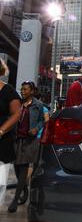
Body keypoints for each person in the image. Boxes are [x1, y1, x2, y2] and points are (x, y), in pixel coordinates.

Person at [8, 81, 45, 213]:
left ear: (32, 91)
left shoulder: (38, 105)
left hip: (30, 141)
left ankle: (15, 201)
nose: (23, 91)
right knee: (16, 168)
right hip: (17, 140)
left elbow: (42, 120)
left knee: (23, 169)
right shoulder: (17, 103)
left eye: (25, 89)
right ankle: (24, 190)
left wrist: (36, 129)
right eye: (22, 89)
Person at [0, 59, 21, 205]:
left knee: (0, 179)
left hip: (2, 139)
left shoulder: (8, 91)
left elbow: (17, 114)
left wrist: (1, 130)